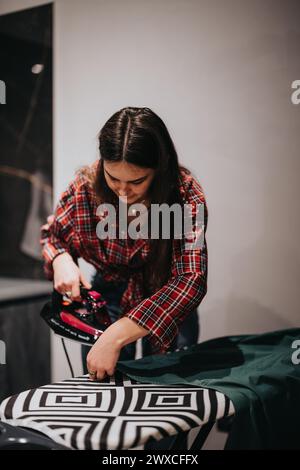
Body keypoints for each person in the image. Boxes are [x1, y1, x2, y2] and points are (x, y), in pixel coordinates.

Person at [40, 106, 208, 381]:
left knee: (171, 391)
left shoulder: (184, 194)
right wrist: (61, 260)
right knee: (106, 394)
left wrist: (117, 335)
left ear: (160, 167)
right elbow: (53, 235)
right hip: (109, 294)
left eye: (136, 181)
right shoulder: (86, 187)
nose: (122, 191)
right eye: (113, 178)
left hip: (167, 295)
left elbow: (191, 279)